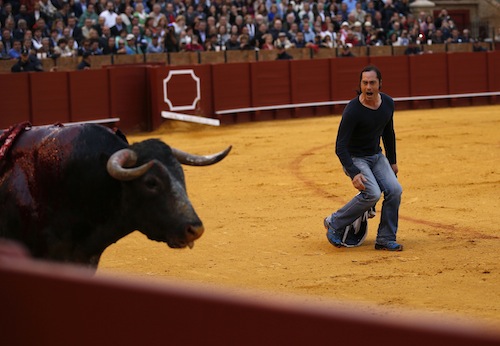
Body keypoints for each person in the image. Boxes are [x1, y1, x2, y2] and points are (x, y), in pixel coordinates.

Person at [324, 65, 403, 251]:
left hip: (376, 156)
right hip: (355, 158)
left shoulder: (388, 103)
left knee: (395, 190)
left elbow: (388, 133)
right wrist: (353, 172)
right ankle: (334, 222)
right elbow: (340, 146)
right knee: (373, 194)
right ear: (360, 84)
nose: (368, 87)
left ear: (380, 84)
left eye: (372, 83)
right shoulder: (353, 110)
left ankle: (385, 239)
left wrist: (392, 161)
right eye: (365, 83)